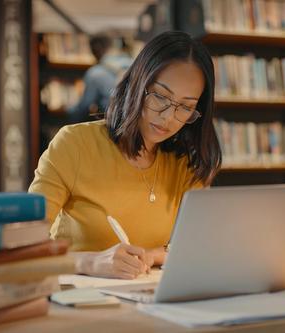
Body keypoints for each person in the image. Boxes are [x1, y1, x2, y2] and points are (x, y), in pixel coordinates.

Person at [29, 31, 221, 279]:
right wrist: (90, 262)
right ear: (138, 83)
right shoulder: (74, 144)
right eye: (160, 96)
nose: (168, 117)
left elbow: (199, 246)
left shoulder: (186, 162)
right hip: (79, 299)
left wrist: (151, 256)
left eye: (185, 107)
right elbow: (26, 246)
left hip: (148, 300)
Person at [66, 34, 133, 122]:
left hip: (113, 123)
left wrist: (69, 112)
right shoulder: (133, 63)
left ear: (94, 51)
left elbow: (84, 106)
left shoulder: (95, 73)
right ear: (112, 46)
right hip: (134, 121)